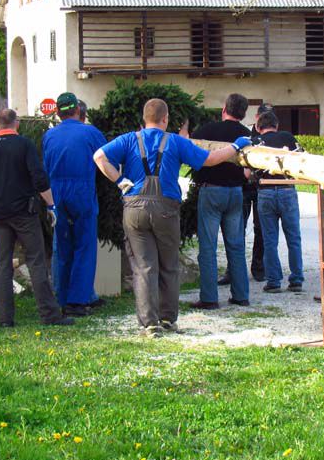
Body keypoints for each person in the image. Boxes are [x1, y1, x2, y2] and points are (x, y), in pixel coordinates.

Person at [93, 98, 250, 337]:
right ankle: (168, 319)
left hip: (134, 208)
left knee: (144, 267)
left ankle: (149, 324)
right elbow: (209, 159)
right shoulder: (175, 141)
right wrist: (235, 147)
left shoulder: (128, 139)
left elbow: (99, 157)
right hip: (166, 208)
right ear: (165, 119)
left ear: (144, 119)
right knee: (169, 265)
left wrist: (119, 181)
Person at [0, 109, 74, 328]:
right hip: (25, 214)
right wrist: (50, 205)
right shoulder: (24, 145)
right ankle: (49, 315)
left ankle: (5, 319)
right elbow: (39, 177)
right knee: (36, 261)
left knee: (2, 264)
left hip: (0, 214)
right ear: (16, 124)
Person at [42, 92, 107, 316]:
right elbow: (107, 158)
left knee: (62, 245)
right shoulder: (90, 132)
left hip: (56, 191)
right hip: (81, 190)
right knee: (85, 245)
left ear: (58, 112)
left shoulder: (49, 135)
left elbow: (44, 166)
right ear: (78, 110)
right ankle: (79, 300)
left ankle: (62, 297)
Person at [191, 93, 253, 309]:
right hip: (236, 192)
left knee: (208, 247)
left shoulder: (208, 130)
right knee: (236, 246)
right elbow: (249, 172)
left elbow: (192, 152)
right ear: (244, 113)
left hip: (211, 192)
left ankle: (209, 298)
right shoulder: (248, 135)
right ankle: (241, 295)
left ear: (224, 109)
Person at [219, 103, 270, 285]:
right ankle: (233, 270)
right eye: (262, 116)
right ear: (256, 118)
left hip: (259, 188)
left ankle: (258, 268)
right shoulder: (246, 133)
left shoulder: (268, 136)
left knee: (260, 229)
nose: (264, 119)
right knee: (237, 229)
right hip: (244, 187)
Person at [254, 111, 304, 292]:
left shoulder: (255, 142)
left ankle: (274, 281)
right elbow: (302, 160)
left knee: (269, 239)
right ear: (277, 125)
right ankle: (296, 279)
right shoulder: (287, 138)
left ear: (259, 128)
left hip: (266, 191)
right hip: (287, 189)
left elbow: (246, 173)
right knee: (294, 237)